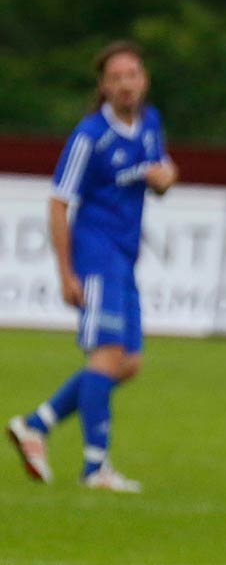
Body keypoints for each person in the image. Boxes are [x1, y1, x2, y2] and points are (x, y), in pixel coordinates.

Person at [7, 41, 177, 491]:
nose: (126, 84)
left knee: (130, 363)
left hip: (124, 255)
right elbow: (60, 202)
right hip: (96, 254)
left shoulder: (150, 123)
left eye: (133, 74)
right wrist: (66, 272)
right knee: (105, 356)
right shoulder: (89, 136)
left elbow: (161, 171)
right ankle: (95, 468)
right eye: (117, 77)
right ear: (104, 86)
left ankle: (35, 424)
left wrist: (166, 178)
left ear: (144, 80)